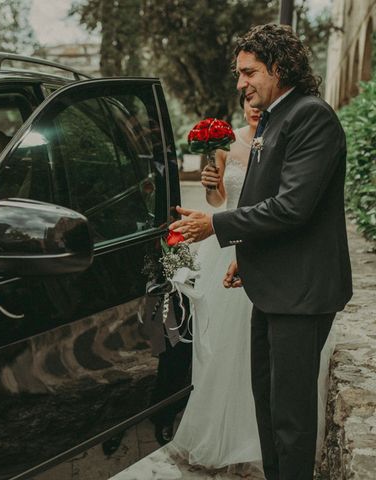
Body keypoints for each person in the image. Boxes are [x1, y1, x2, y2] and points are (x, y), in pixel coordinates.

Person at [169, 24, 352, 480]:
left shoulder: (311, 116)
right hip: (272, 286)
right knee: (268, 408)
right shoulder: (273, 117)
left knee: (290, 419)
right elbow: (258, 195)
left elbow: (292, 207)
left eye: (249, 72)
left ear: (280, 66)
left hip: (302, 293)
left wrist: (215, 225)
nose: (240, 84)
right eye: (239, 74)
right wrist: (246, 257)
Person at [164, 95, 263, 471]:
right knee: (223, 346)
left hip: (262, 246)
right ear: (241, 106)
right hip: (227, 245)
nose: (254, 107)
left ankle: (256, 439)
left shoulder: (276, 140)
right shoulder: (226, 146)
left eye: (258, 99)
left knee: (256, 348)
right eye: (247, 101)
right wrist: (209, 185)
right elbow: (220, 199)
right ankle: (222, 437)